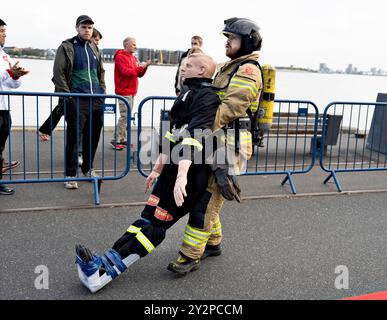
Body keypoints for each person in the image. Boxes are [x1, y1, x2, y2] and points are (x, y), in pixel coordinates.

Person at [75, 53, 220, 293]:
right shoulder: (186, 94)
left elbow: (197, 137)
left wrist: (182, 175)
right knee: (145, 219)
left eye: (189, 65)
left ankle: (104, 274)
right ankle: (103, 262)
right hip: (173, 168)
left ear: (203, 70)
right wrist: (157, 169)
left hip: (191, 172)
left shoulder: (207, 96)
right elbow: (174, 135)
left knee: (156, 226)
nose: (183, 68)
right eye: (184, 64)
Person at [167, 17, 263, 274]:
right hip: (217, 142)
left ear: (247, 41)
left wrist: (198, 128)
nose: (227, 42)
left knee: (207, 201)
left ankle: (190, 256)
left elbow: (233, 107)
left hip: (230, 147)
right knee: (209, 195)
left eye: (231, 38)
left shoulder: (248, 70)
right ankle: (213, 243)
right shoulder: (229, 67)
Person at [52, 15, 106, 189]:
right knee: (74, 138)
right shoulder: (67, 47)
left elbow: (100, 73)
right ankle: (70, 174)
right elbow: (59, 73)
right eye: (84, 27)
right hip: (76, 99)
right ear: (77, 28)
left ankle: (88, 168)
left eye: (90, 27)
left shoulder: (94, 48)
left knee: (93, 136)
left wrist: (102, 92)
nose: (87, 30)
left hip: (95, 99)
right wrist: (67, 96)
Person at [0, 19, 29, 195]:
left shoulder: (5, 56)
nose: (4, 34)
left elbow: (12, 84)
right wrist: (9, 73)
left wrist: (16, 76)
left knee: (0, 147)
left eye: (4, 31)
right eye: (1, 31)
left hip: (4, 108)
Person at [111, 37, 151, 150]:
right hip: (123, 91)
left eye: (135, 44)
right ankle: (116, 139)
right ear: (126, 45)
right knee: (125, 116)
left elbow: (138, 74)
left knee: (126, 117)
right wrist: (141, 67)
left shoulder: (133, 58)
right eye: (133, 44)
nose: (135, 46)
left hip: (131, 91)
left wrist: (145, 67)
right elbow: (126, 72)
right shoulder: (120, 57)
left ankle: (122, 139)